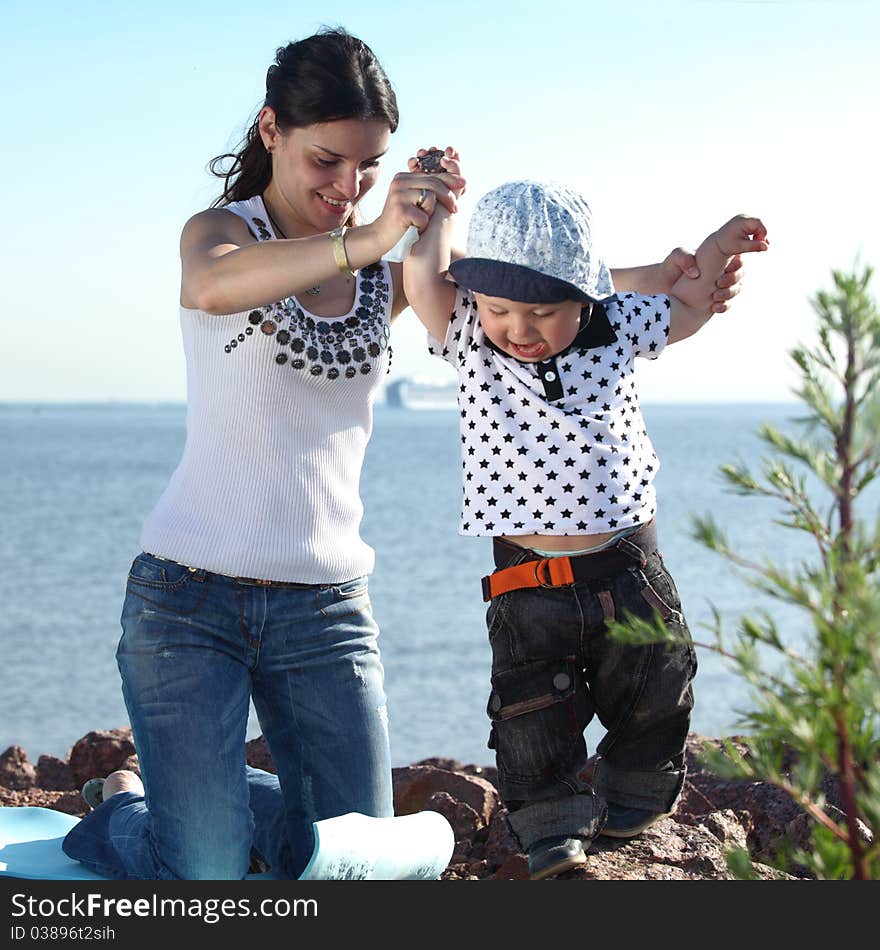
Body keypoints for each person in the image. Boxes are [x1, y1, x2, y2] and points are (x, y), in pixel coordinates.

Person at [61, 29, 744, 880]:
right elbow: (209, 286)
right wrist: (376, 232)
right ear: (271, 130)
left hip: (325, 610)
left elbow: (524, 287)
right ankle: (133, 802)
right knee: (205, 869)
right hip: (187, 598)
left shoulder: (384, 277)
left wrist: (673, 276)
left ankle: (205, 794)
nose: (347, 189)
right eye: (326, 161)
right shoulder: (222, 234)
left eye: (369, 169)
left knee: (353, 859)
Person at [403, 167, 768, 879]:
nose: (519, 330)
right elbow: (424, 279)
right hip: (526, 578)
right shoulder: (471, 335)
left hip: (628, 562)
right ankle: (553, 841)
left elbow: (691, 304)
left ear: (585, 294)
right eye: (503, 310)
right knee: (531, 713)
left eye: (542, 313)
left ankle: (633, 800)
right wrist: (439, 209)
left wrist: (716, 249)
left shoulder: (619, 322)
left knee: (656, 681)